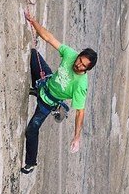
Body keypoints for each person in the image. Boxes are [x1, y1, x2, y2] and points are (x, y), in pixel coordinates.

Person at [21, 11, 97, 174]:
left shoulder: (80, 85)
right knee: (34, 55)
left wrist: (77, 137)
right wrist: (33, 22)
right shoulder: (70, 55)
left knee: (31, 130)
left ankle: (31, 162)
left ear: (87, 70)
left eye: (83, 66)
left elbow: (80, 113)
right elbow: (49, 38)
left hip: (47, 102)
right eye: (79, 60)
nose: (78, 65)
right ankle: (38, 89)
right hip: (47, 82)